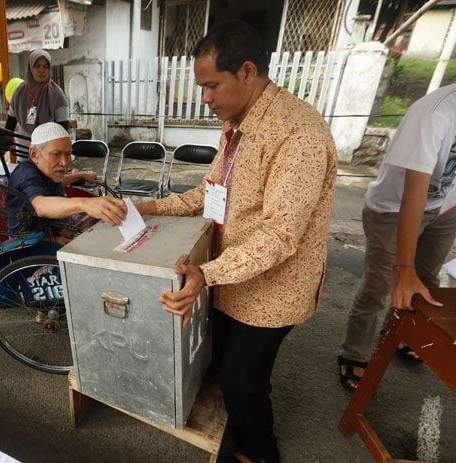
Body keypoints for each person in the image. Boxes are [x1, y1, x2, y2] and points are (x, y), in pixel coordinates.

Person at [135, 22, 337, 463]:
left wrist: (205, 274)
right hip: (233, 276)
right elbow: (209, 194)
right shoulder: (239, 126)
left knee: (244, 381)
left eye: (211, 85)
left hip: (271, 289)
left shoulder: (297, 132)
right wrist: (150, 208)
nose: (204, 98)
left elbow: (281, 235)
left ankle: (259, 453)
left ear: (247, 71)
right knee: (225, 364)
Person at [338, 84, 456, 392]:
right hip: (393, 209)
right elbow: (413, 193)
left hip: (446, 208)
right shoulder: (434, 113)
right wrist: (404, 268)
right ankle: (355, 352)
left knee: (427, 280)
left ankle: (401, 335)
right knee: (382, 285)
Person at [6, 122, 127, 237]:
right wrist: (84, 203)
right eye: (56, 154)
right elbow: (41, 205)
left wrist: (80, 175)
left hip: (55, 226)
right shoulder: (26, 173)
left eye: (68, 154)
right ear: (34, 154)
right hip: (35, 241)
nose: (64, 163)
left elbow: (53, 183)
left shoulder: (44, 170)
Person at [5, 50, 70, 149]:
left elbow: (63, 126)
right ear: (30, 68)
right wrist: (6, 141)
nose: (41, 70)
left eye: (45, 66)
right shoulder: (19, 92)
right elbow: (11, 120)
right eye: (37, 66)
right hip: (23, 150)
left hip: (47, 151)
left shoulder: (57, 94)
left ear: (49, 69)